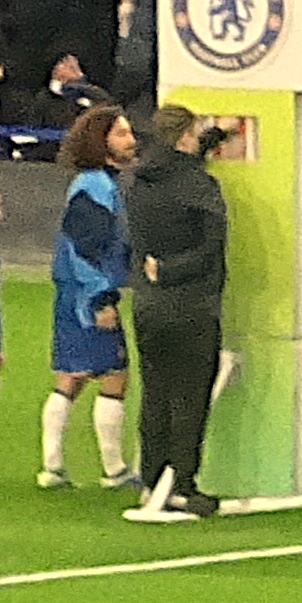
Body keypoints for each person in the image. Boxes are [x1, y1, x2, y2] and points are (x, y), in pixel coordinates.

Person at [121, 102, 234, 520]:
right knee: (190, 398)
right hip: (192, 303)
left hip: (149, 303)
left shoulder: (140, 181)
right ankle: (182, 484)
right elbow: (211, 248)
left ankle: (152, 479)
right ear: (186, 136)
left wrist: (212, 137)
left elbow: (177, 165)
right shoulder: (200, 187)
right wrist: (172, 270)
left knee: (155, 393)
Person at [42, 100, 134, 491]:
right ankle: (114, 469)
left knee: (72, 375)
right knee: (114, 375)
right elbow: (85, 246)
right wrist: (100, 298)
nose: (131, 140)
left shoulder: (92, 183)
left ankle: (52, 466)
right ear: (101, 140)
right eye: (122, 133)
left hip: (72, 292)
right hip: (88, 294)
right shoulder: (96, 185)